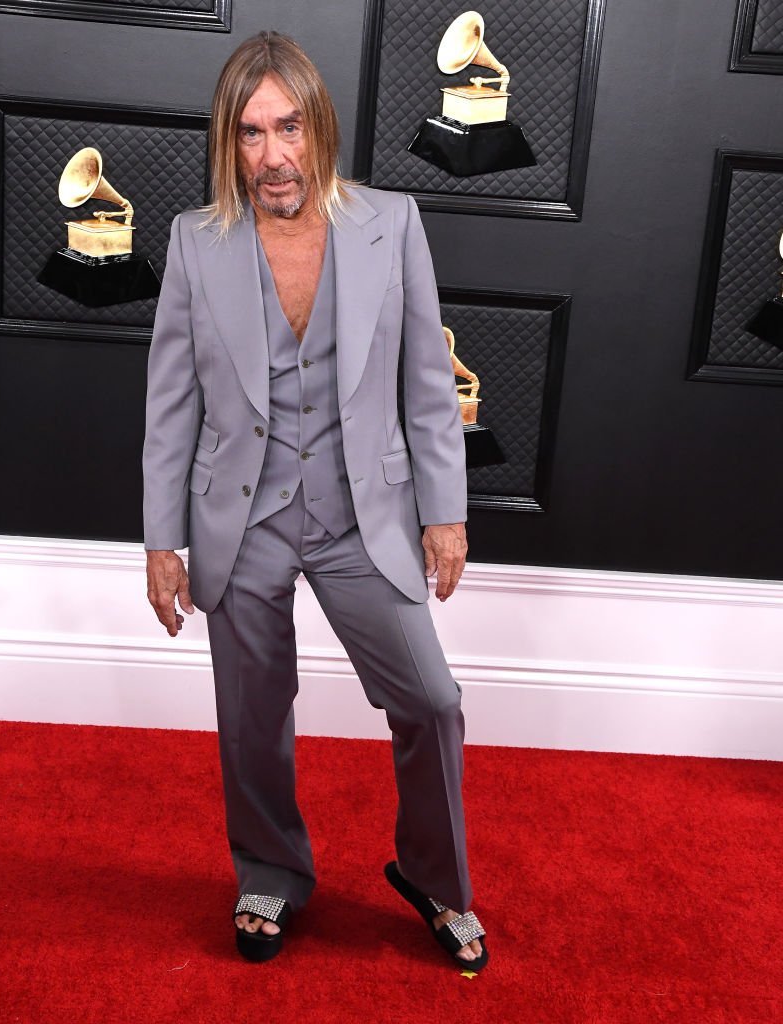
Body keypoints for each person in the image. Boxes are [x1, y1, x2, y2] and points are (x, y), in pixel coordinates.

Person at [143, 30, 487, 971]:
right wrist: (162, 539)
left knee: (432, 699)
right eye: (250, 135)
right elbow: (171, 402)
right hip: (239, 517)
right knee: (253, 710)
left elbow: (427, 379)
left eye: (287, 126)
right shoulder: (192, 240)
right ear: (229, 143)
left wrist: (445, 510)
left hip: (359, 514)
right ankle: (270, 870)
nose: (273, 155)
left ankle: (434, 876)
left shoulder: (393, 222)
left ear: (317, 126)